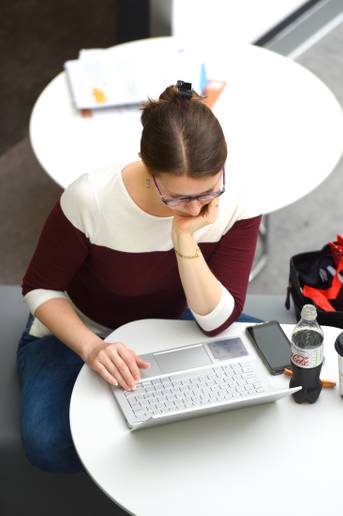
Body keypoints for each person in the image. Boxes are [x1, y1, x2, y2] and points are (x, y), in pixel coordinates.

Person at [17, 80, 262, 474]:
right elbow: (40, 287)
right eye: (178, 198)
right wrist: (92, 349)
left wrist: (184, 238)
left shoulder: (237, 201)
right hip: (83, 327)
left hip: (176, 320)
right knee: (48, 443)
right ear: (149, 170)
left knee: (265, 392)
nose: (197, 208)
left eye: (208, 192)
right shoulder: (92, 198)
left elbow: (216, 321)